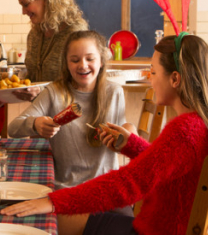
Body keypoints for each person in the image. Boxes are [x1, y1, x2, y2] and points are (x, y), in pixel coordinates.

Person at [0, 33, 208, 235]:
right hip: (168, 227)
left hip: (152, 231)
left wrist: (53, 201)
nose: (150, 78)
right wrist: (133, 145)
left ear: (175, 79)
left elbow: (127, 184)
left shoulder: (185, 130)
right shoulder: (207, 122)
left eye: (153, 71)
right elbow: (165, 165)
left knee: (37, 223)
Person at [7, 30, 126, 190]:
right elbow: (13, 128)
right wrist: (35, 123)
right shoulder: (54, 92)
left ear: (101, 61)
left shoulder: (114, 92)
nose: (83, 65)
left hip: (106, 188)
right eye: (75, 60)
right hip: (65, 188)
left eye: (90, 58)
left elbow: (123, 137)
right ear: (66, 64)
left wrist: (126, 135)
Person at [0, 0, 88, 101]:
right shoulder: (34, 35)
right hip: (43, 114)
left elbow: (82, 84)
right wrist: (16, 88)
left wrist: (41, 91)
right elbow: (34, 79)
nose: (23, 12)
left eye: (26, 4)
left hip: (70, 113)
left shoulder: (75, 34)